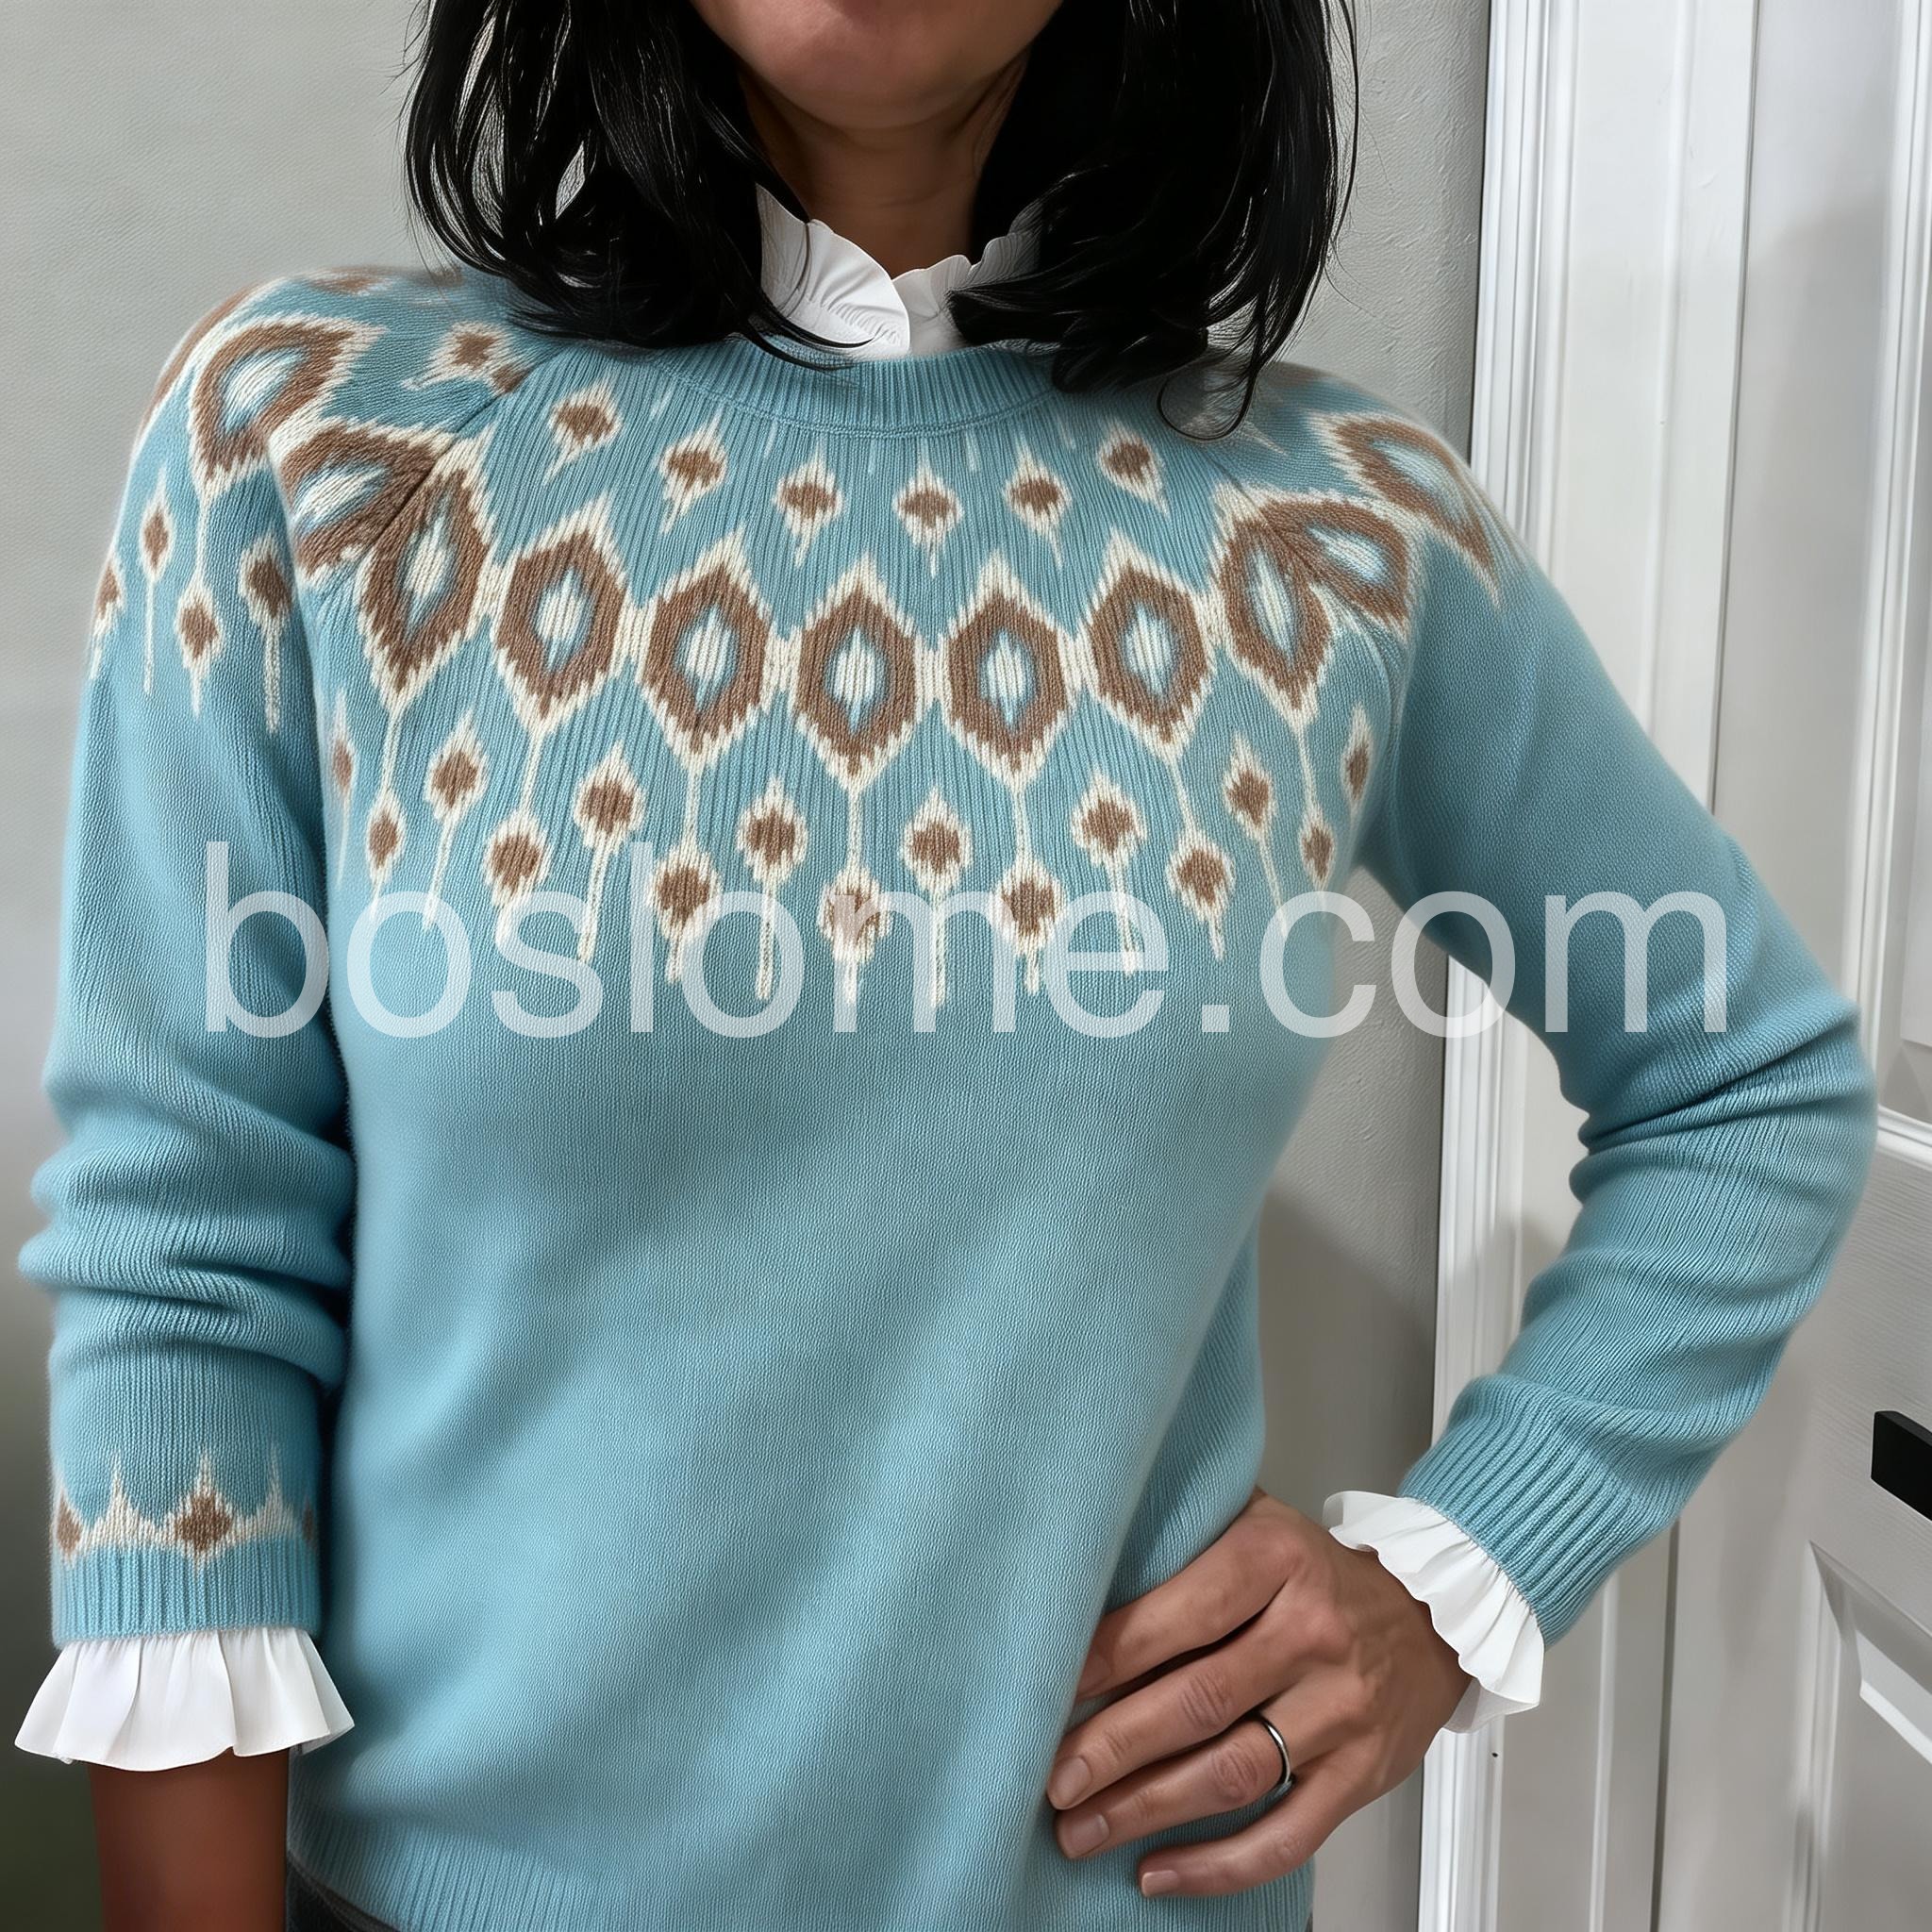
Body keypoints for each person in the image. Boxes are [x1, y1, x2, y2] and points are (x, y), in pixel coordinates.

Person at [15, 4, 1878, 1929]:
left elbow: (1748, 1083)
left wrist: (1454, 1580)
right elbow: (188, 1260)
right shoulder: (322, 443)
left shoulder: (1336, 534)